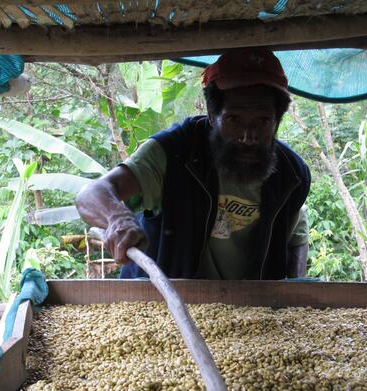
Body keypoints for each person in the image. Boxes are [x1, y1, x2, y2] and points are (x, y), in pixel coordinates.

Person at [76, 48, 311, 280]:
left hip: (249, 311)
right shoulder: (174, 151)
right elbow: (90, 194)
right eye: (234, 119)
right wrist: (119, 219)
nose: (248, 136)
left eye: (262, 121)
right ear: (211, 114)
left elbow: (296, 239)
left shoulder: (292, 176)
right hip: (159, 300)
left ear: (277, 120)